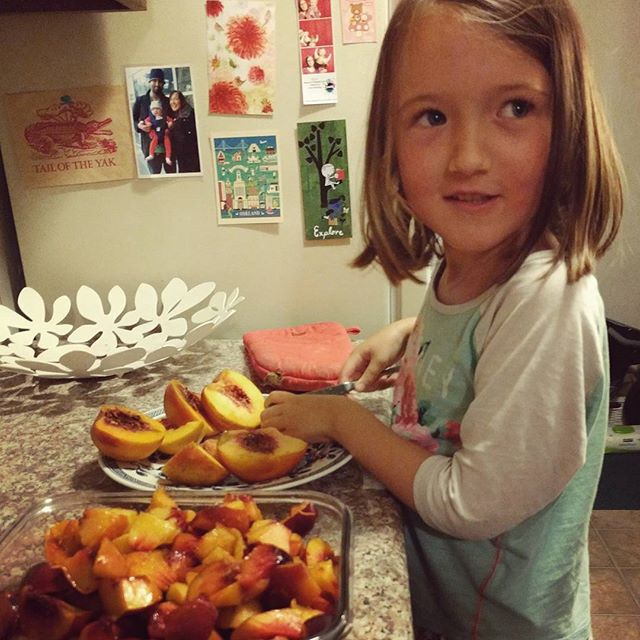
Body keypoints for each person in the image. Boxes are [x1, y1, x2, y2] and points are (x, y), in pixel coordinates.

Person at [261, 1, 624, 639]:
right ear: (390, 146)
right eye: (432, 116)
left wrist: (344, 420)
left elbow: (469, 502)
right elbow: (477, 342)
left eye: (515, 107)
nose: (467, 157)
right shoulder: (465, 264)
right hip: (444, 611)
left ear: (568, 125)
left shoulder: (548, 299)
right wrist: (412, 337)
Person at [132, 68, 175, 175]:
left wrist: (171, 125)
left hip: (167, 146)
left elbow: (172, 118)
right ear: (149, 82)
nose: (157, 84)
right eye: (154, 80)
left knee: (173, 176)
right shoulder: (140, 101)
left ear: (163, 84)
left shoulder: (167, 101)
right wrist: (140, 126)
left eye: (160, 82)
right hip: (150, 146)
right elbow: (133, 120)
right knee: (155, 176)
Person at [168, 90, 201, 173]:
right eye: (171, 99)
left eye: (176, 99)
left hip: (191, 156)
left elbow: (187, 137)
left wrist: (173, 126)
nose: (173, 102)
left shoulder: (189, 114)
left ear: (181, 100)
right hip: (181, 156)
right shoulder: (175, 115)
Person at [142, 100, 173, 165]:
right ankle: (151, 154)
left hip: (163, 133)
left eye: (157, 109)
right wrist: (147, 124)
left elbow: (170, 120)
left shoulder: (165, 117)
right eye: (153, 109)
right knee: (154, 140)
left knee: (167, 141)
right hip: (155, 133)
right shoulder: (150, 118)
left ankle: (168, 157)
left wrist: (170, 123)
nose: (155, 111)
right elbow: (145, 121)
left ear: (161, 110)